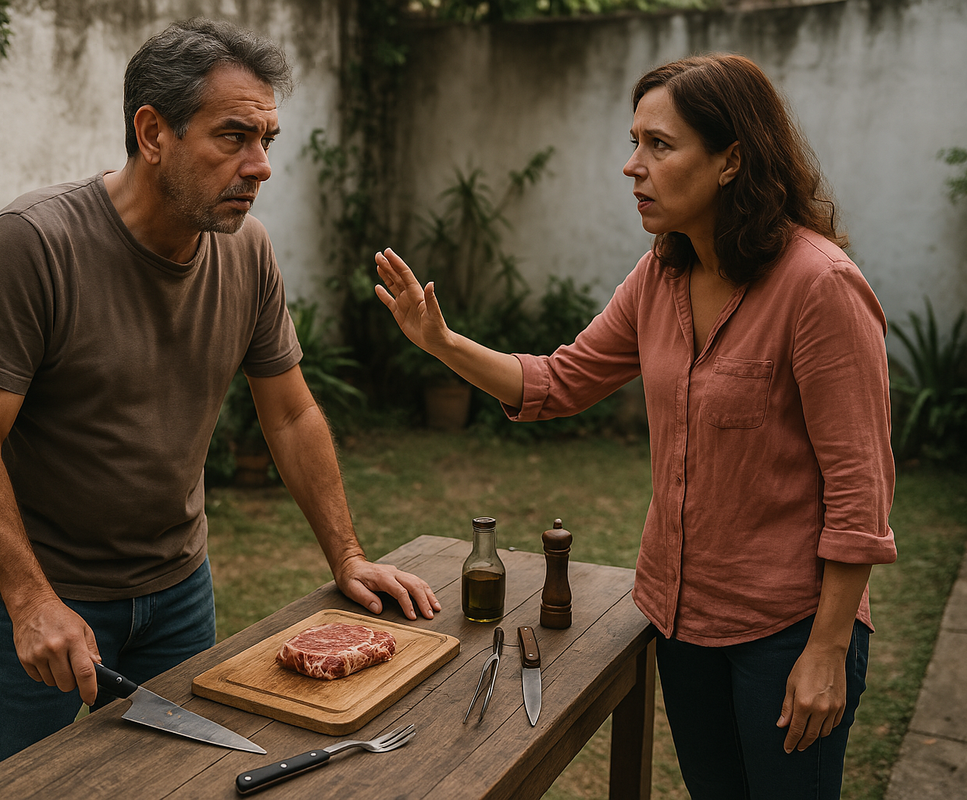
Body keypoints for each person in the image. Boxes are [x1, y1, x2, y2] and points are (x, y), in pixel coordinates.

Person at [375, 53, 895, 799]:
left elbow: (860, 494)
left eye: (659, 145)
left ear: (731, 160)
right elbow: (559, 381)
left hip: (786, 633)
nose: (632, 166)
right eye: (634, 141)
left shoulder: (820, 286)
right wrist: (443, 343)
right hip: (681, 623)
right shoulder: (662, 276)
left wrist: (825, 651)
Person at [0, 17, 439, 778]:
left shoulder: (248, 250)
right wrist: (31, 601)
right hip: (44, 597)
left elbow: (293, 411)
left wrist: (348, 553)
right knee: (15, 789)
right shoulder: (33, 243)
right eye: (234, 136)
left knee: (178, 787)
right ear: (152, 132)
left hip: (178, 593)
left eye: (267, 138)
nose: (260, 165)